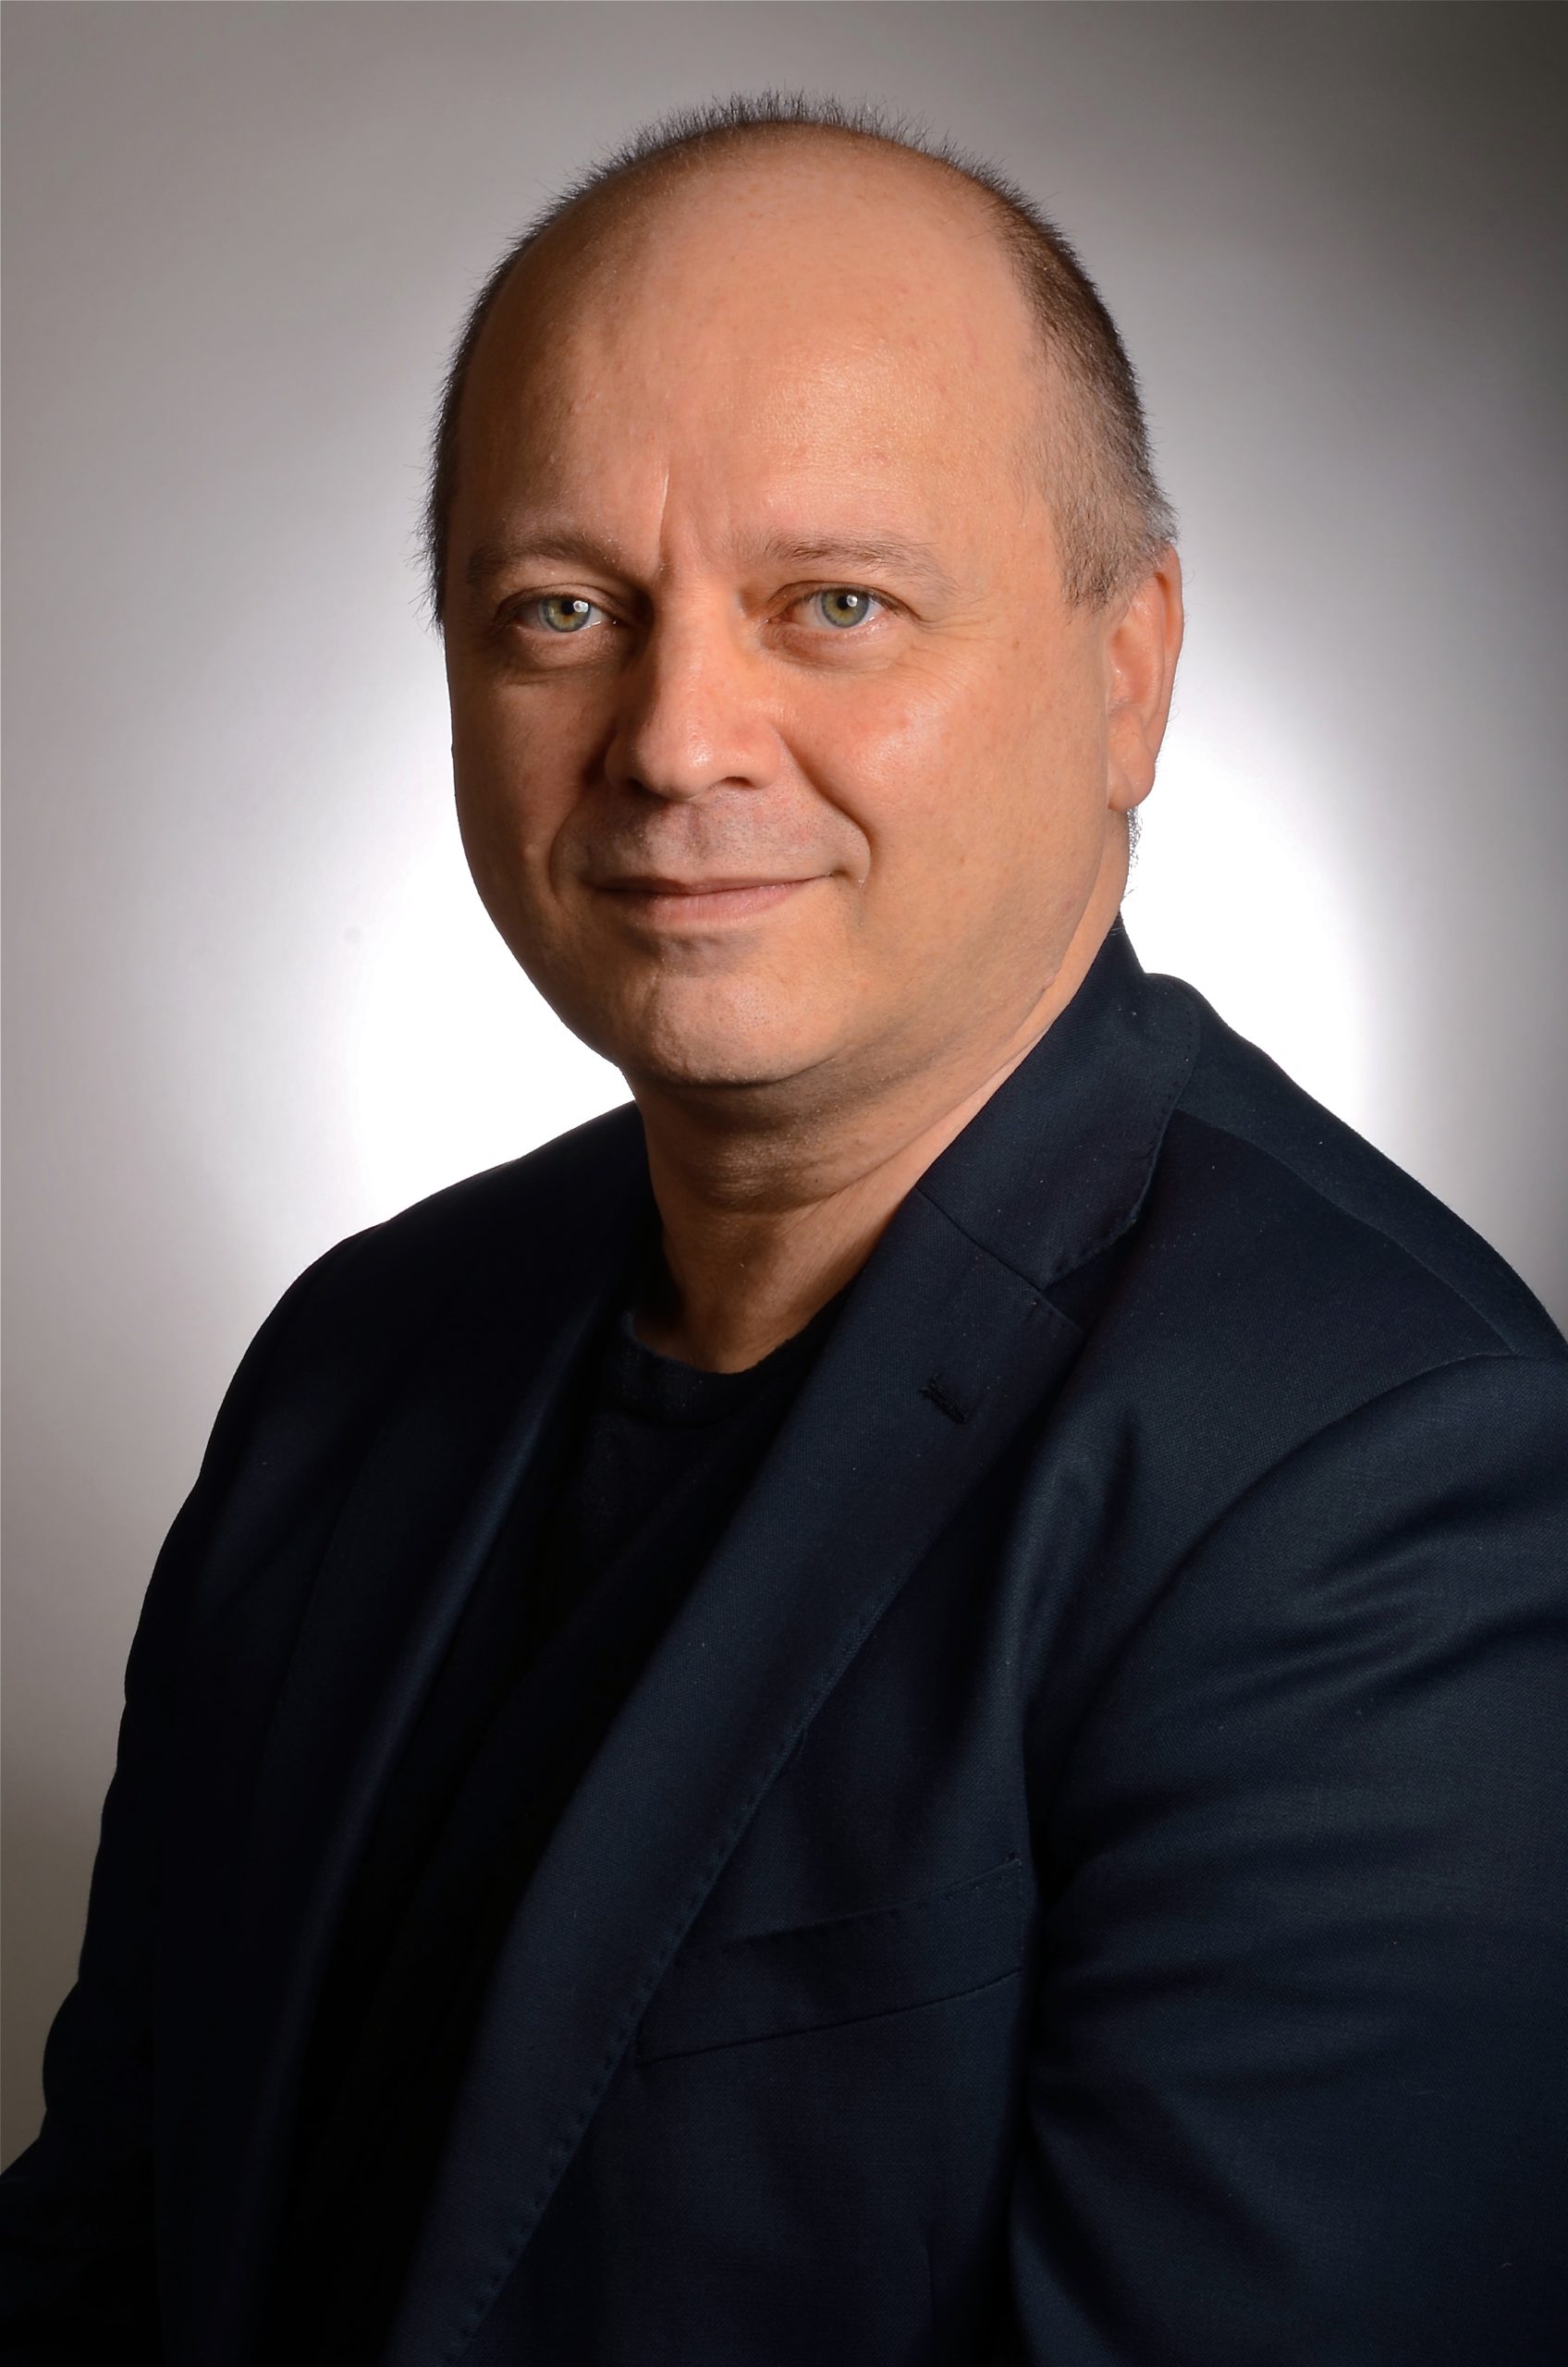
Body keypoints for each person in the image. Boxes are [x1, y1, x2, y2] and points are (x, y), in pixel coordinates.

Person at [3, 90, 1565, 2367]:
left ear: (1123, 668)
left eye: (832, 603)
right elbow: (100, 2259)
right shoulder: (356, 1359)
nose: (673, 738)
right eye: (562, 609)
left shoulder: (1376, 1489)